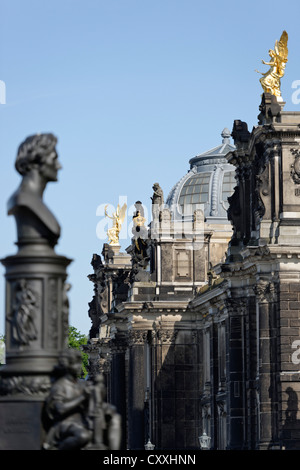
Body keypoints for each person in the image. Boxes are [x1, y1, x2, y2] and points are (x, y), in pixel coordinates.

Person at [8, 133, 61, 249]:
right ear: (38, 160)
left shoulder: (24, 199)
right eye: (54, 159)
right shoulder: (23, 200)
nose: (59, 166)